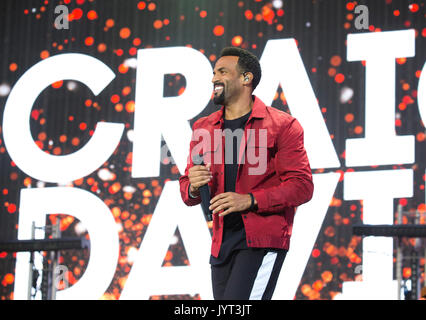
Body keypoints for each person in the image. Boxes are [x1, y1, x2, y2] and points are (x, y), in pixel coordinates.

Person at [179, 47, 314, 300]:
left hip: (260, 241)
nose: (213, 78)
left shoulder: (283, 125)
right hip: (221, 243)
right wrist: (193, 186)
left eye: (222, 71)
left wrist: (250, 199)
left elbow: (302, 186)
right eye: (213, 72)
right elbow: (187, 189)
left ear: (246, 78)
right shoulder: (203, 127)